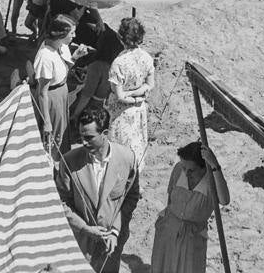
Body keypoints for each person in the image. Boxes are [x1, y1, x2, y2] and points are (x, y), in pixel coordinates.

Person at [56, 106, 140, 273]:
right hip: (80, 245)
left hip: (111, 247)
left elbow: (130, 198)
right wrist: (85, 228)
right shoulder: (69, 161)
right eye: (81, 137)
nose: (83, 143)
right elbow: (61, 202)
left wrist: (115, 232)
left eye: (89, 137)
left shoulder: (127, 158)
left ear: (105, 133)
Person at [150, 140, 230, 273]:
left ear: (204, 168)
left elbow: (225, 200)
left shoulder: (211, 180)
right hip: (167, 231)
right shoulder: (178, 170)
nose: (186, 173)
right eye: (184, 168)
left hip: (192, 239)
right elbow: (170, 199)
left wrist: (215, 166)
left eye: (191, 170)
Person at [106, 17, 154, 170]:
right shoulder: (147, 57)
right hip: (139, 109)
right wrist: (136, 95)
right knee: (137, 144)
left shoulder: (118, 63)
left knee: (120, 147)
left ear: (121, 37)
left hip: (121, 112)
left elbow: (119, 95)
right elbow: (150, 84)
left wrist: (129, 95)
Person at [28, 15, 75, 157]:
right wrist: (47, 121)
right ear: (61, 34)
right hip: (52, 100)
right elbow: (43, 93)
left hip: (61, 95)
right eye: (72, 33)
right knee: (52, 135)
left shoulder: (62, 47)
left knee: (61, 131)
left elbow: (61, 72)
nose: (74, 36)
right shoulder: (45, 56)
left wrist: (76, 57)